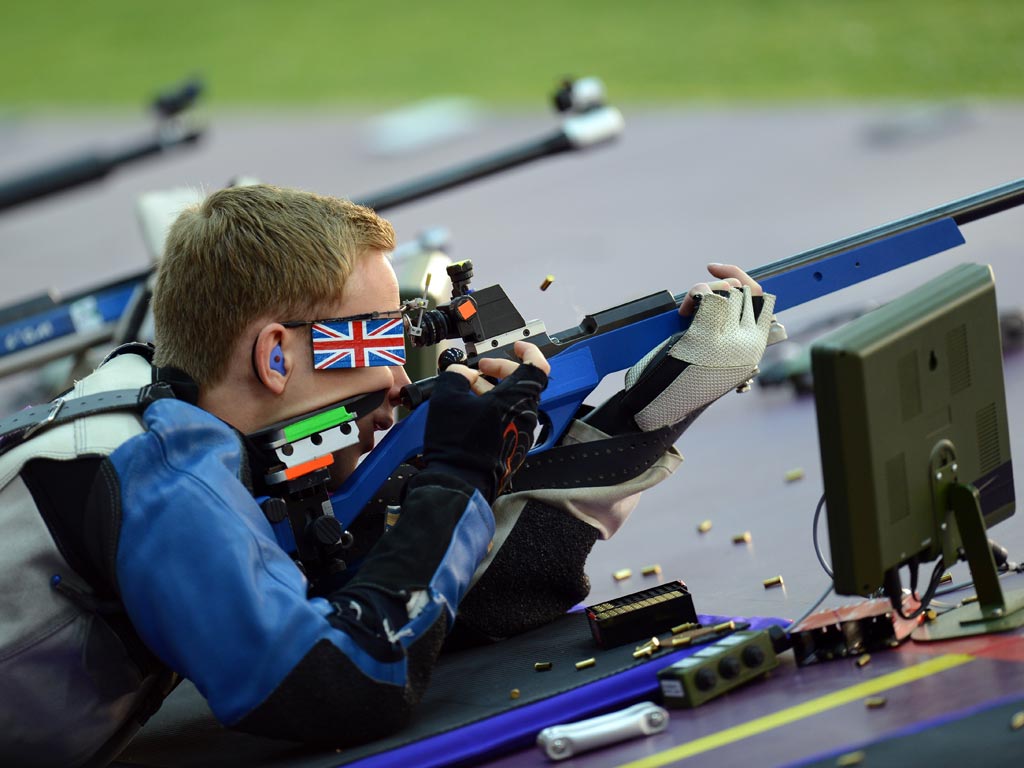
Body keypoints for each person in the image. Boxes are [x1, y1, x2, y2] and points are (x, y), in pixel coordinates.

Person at [0, 184, 776, 766]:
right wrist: (460, 471)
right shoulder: (161, 474)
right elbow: (351, 678)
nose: (401, 380)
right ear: (276, 355)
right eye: (379, 344)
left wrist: (638, 423)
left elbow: (405, 603)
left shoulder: (169, 411)